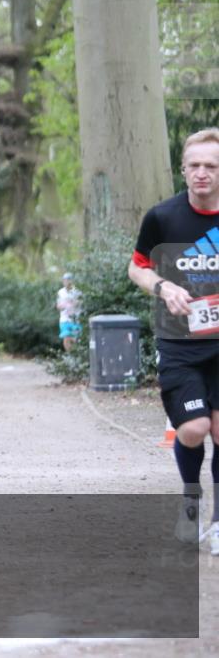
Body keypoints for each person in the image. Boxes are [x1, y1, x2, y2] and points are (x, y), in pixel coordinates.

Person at [127, 127, 219, 556]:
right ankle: (189, 498)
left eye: (211, 166)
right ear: (183, 169)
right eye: (195, 165)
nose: (202, 173)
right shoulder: (163, 217)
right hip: (180, 343)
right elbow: (137, 268)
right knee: (193, 429)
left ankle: (217, 523)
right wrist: (163, 287)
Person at [56, 272, 82, 351]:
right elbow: (58, 306)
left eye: (69, 280)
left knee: (76, 340)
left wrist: (75, 302)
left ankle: (76, 355)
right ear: (63, 281)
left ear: (72, 281)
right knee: (66, 337)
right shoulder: (60, 292)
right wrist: (62, 306)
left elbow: (81, 302)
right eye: (65, 280)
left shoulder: (77, 291)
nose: (67, 282)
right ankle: (69, 356)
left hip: (75, 319)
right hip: (64, 319)